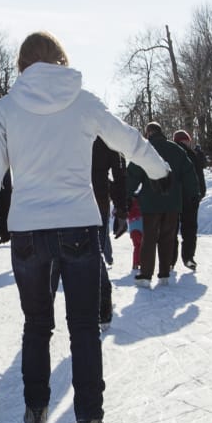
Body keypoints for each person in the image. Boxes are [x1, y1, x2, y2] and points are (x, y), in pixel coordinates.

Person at [0, 31, 170, 423]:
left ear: (22, 65)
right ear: (60, 59)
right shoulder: (82, 99)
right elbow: (126, 138)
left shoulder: (4, 109)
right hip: (77, 225)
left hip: (27, 232)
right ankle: (90, 421)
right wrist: (158, 169)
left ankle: (37, 409)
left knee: (37, 324)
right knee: (83, 328)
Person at [126, 122, 198, 286]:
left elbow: (132, 175)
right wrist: (193, 194)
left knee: (149, 238)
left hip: (151, 202)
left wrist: (127, 194)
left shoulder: (145, 150)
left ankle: (145, 275)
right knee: (168, 237)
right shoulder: (176, 150)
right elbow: (189, 172)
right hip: (173, 202)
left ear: (149, 133)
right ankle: (164, 273)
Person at [91, 138, 127, 326]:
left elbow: (120, 173)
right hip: (93, 201)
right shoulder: (106, 133)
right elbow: (120, 174)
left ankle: (102, 306)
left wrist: (121, 209)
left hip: (87, 202)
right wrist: (121, 209)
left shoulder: (105, 132)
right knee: (93, 253)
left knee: (93, 253)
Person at [172, 129, 207, 270]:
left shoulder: (169, 154)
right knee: (190, 230)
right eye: (187, 140)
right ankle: (188, 257)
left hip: (172, 198)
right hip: (190, 198)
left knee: (171, 230)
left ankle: (170, 260)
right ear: (183, 140)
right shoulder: (192, 155)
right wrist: (200, 193)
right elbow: (200, 176)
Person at [127, 194, 144, 273]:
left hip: (132, 228)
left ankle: (135, 263)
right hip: (141, 227)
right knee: (142, 246)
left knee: (136, 246)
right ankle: (141, 263)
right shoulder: (141, 204)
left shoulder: (129, 204)